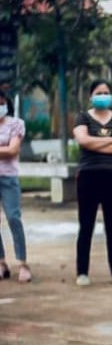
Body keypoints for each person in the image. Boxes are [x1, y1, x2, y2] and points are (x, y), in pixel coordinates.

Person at [72, 79, 112, 287]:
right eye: (98, 93)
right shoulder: (83, 117)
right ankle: (82, 272)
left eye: (106, 92)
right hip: (88, 176)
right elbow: (83, 141)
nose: (103, 96)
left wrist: (96, 143)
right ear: (91, 96)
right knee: (86, 225)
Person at [0, 89, 31, 283]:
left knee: (13, 218)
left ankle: (23, 262)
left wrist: (7, 150)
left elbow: (12, 150)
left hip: (8, 178)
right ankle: (1, 262)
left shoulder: (16, 124)